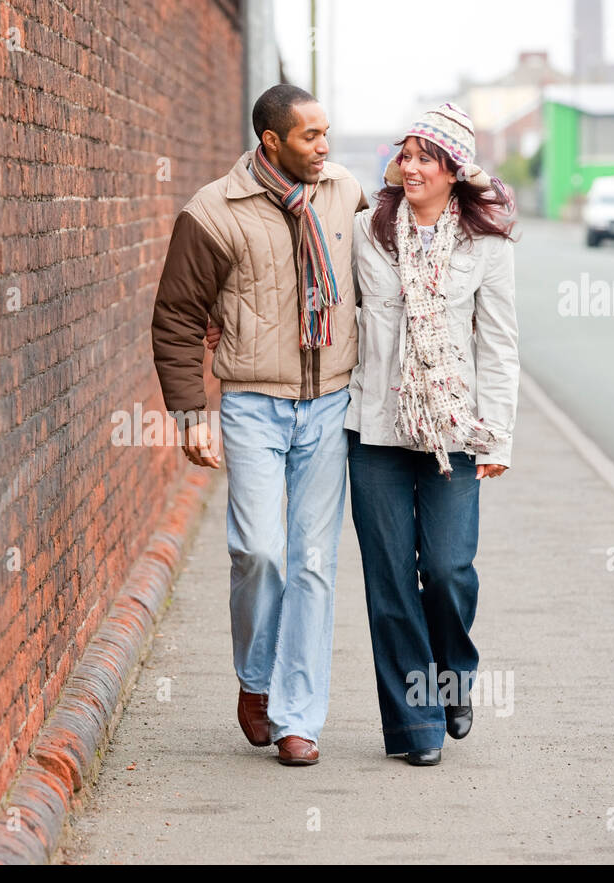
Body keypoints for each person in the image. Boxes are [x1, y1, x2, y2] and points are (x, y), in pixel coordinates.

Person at [151, 84, 368, 766]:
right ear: (272, 141)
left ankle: (297, 714)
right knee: (259, 551)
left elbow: (401, 244)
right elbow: (179, 315)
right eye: (311, 136)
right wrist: (191, 414)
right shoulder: (214, 212)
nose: (325, 147)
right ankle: (255, 676)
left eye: (328, 133)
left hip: (331, 399)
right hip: (252, 401)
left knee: (313, 561)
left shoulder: (346, 192)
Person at [345, 103, 519, 767]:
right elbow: (336, 310)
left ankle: (452, 674)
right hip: (378, 430)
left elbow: (500, 346)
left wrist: (497, 438)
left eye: (427, 156)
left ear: (453, 171)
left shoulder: (487, 246)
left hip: (455, 432)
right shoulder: (367, 231)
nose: (411, 166)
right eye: (407, 154)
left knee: (446, 570)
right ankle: (415, 729)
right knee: (390, 581)